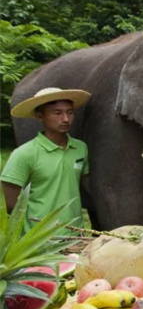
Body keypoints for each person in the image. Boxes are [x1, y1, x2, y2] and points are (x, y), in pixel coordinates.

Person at [1, 87, 91, 235]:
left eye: (70, 112)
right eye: (57, 113)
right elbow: (10, 203)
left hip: (76, 235)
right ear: (40, 116)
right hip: (38, 239)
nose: (66, 119)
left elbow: (87, 186)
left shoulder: (81, 149)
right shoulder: (25, 154)